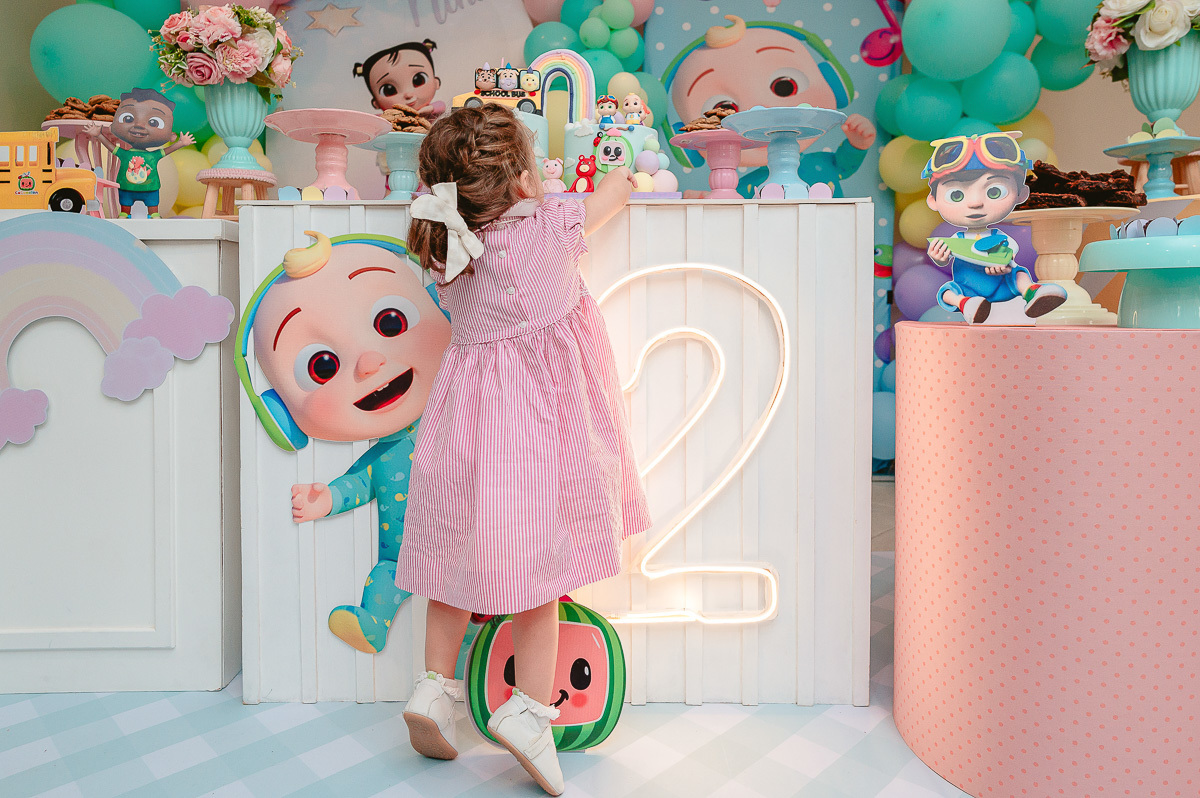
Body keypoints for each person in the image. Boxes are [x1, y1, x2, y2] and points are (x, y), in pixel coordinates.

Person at [396, 104, 651, 796]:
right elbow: (615, 192)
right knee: (540, 573)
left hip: (463, 423)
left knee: (452, 556)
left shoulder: (448, 248)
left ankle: (434, 689)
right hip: (535, 430)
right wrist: (624, 171)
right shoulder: (551, 225)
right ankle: (530, 710)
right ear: (516, 179)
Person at [923, 133, 1067, 323]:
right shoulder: (955, 240)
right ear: (933, 200)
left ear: (1021, 193)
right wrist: (938, 257)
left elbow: (1009, 253)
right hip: (968, 290)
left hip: (1002, 284)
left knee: (1020, 273)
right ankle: (967, 304)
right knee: (947, 292)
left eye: (994, 191)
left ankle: (1032, 292)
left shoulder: (1000, 237)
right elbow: (944, 259)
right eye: (956, 195)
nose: (975, 203)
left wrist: (1004, 263)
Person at [86, 88, 195, 218]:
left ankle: (154, 213)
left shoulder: (153, 155)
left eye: (154, 122)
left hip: (150, 188)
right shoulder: (125, 154)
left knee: (152, 202)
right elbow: (111, 147)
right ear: (112, 127)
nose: (139, 125)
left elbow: (166, 151)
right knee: (125, 202)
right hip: (127, 188)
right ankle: (124, 213)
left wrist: (181, 143)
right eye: (128, 118)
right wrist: (98, 135)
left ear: (172, 136)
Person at [353, 39, 445, 119]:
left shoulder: (431, 112)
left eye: (418, 80)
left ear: (436, 82)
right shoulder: (385, 120)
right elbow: (372, 120)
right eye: (389, 90)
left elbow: (441, 106)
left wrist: (430, 109)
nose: (408, 94)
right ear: (375, 103)